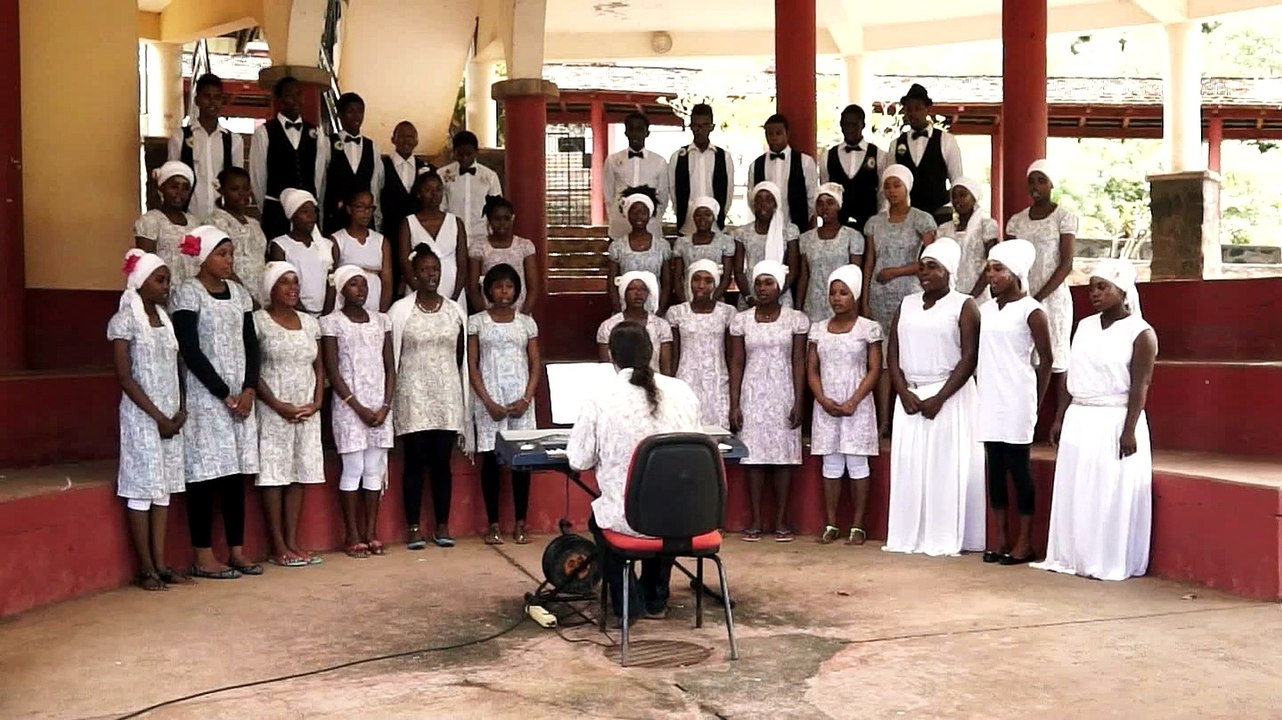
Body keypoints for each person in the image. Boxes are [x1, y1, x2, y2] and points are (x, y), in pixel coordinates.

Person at [568, 322, 703, 623]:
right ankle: (656, 598)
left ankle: (627, 603)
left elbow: (579, 460)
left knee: (602, 518)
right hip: (683, 518)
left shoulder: (599, 397)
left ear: (611, 356)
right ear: (652, 352)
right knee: (664, 502)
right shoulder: (682, 390)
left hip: (627, 520)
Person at [1035, 260, 1157, 581]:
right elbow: (1073, 375)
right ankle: (1075, 555)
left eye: (1103, 287)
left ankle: (1105, 558)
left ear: (1122, 290)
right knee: (1078, 489)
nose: (1095, 294)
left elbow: (1140, 385)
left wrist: (1129, 428)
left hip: (1114, 419)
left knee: (1107, 491)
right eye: (1092, 288)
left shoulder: (1141, 333)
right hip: (1080, 416)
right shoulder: (1085, 326)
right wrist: (1060, 417)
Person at [881, 238, 986, 557]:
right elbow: (893, 351)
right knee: (911, 465)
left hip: (949, 396)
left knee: (945, 467)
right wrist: (902, 390)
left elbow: (969, 357)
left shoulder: (964, 305)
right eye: (922, 266)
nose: (924, 272)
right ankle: (909, 535)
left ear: (949, 271)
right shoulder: (907, 304)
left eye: (933, 267)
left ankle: (943, 536)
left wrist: (940, 397)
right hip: (910, 395)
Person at [171, 225, 261, 579]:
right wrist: (224, 392)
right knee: (205, 478)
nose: (228, 261)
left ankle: (236, 550)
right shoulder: (187, 293)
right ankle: (203, 555)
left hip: (241, 399)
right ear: (203, 257)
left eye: (231, 254)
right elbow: (190, 350)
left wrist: (250, 388)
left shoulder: (239, 295)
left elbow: (251, 344)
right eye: (221, 254)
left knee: (233, 476)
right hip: (208, 399)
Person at [109, 249, 191, 590]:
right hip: (143, 418)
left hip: (169, 418)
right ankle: (145, 567)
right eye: (159, 280)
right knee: (143, 491)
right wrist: (157, 417)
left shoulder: (165, 318)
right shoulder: (124, 320)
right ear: (140, 282)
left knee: (163, 493)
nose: (166, 286)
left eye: (168, 279)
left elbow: (176, 366)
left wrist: (181, 408)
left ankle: (160, 561)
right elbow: (126, 378)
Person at [977, 239, 1053, 566]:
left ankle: (1025, 542)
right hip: (990, 396)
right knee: (994, 467)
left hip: (1018, 397)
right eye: (989, 269)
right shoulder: (985, 310)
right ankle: (1001, 537)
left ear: (1016, 273)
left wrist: (1036, 400)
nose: (991, 275)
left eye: (998, 270)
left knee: (1018, 469)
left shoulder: (1032, 310)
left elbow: (1047, 360)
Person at [389, 245, 469, 550]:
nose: (431, 275)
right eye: (424, 270)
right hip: (412, 394)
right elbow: (392, 355)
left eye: (435, 269)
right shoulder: (399, 311)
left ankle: (442, 525)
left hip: (446, 394)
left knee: (441, 462)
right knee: (414, 461)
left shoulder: (455, 310)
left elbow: (461, 355)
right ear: (413, 274)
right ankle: (412, 527)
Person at [729, 260, 810, 542]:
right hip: (752, 393)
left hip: (783, 391)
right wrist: (735, 402)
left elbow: (799, 360)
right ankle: (755, 519)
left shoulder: (795, 319)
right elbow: (737, 362)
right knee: (754, 459)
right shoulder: (741, 320)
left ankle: (781, 521)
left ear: (779, 286)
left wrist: (800, 401)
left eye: (769, 283)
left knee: (783, 459)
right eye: (759, 283)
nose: (762, 288)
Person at [253, 262, 325, 567]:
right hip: (274, 408)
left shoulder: (310, 324)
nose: (292, 288)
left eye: (295, 282)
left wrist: (317, 401)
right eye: (284, 282)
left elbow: (319, 368)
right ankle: (278, 545)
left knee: (298, 473)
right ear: (271, 288)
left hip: (306, 409)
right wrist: (277, 404)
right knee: (274, 474)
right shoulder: (259, 321)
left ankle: (293, 541)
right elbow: (251, 369)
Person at [322, 265, 396, 558]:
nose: (360, 290)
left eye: (363, 284)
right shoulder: (332, 323)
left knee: (373, 471)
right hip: (349, 407)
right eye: (353, 285)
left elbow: (390, 366)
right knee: (353, 469)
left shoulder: (382, 321)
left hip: (380, 407)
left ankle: (370, 532)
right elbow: (332, 370)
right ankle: (352, 535)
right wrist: (357, 406)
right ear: (341, 290)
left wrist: (385, 405)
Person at [467, 263, 542, 545]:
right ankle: (493, 524)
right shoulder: (477, 322)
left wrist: (526, 398)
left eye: (509, 286)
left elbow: (535, 363)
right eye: (498, 286)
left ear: (517, 291)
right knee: (491, 461)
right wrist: (487, 401)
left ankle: (521, 523)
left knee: (522, 462)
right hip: (489, 401)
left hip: (520, 399)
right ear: (488, 290)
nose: (503, 292)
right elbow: (472, 365)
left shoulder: (526, 322)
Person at [808, 265, 882, 545]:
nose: (837, 298)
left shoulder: (868, 328)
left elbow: (875, 368)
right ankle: (831, 523)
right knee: (831, 462)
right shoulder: (818, 329)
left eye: (844, 293)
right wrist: (822, 398)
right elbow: (812, 369)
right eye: (833, 293)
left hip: (858, 403)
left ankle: (858, 525)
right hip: (826, 403)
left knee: (857, 461)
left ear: (856, 295)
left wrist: (853, 400)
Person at [865, 164, 938, 435]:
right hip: (879, 295)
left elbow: (930, 260)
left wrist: (896, 271)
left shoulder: (921, 219)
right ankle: (885, 420)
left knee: (909, 355)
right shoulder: (874, 222)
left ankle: (912, 413)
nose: (892, 191)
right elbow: (870, 260)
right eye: (887, 185)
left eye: (897, 185)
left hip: (910, 293)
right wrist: (865, 298)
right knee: (884, 360)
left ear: (907, 187)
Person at [1005, 159, 1077, 407]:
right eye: (1031, 181)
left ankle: (1059, 418)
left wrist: (1039, 296)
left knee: (1056, 355)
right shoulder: (1016, 221)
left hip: (1053, 298)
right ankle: (1026, 412)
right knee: (1025, 354)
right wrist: (1020, 297)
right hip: (1021, 298)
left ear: (1052, 184)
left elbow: (1066, 263)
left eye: (1041, 180)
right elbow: (1010, 261)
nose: (1035, 186)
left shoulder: (1064, 217)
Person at [250, 76, 325, 239]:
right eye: (290, 95)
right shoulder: (264, 132)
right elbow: (258, 176)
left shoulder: (316, 133)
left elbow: (318, 175)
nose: (296, 99)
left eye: (299, 94)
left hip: (308, 213)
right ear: (279, 99)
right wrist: (270, 206)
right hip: (277, 210)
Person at [665, 259, 736, 428]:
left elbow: (731, 355)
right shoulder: (677, 312)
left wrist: (734, 393)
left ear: (715, 284)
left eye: (708, 280)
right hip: (686, 380)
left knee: (718, 436)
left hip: (718, 382)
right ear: (689, 282)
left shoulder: (727, 313)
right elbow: (674, 354)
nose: (701, 285)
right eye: (696, 279)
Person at [168, 73, 243, 220]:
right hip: (188, 216)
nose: (212, 102)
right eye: (207, 97)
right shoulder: (180, 137)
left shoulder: (234, 140)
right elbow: (172, 177)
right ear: (197, 100)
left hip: (223, 218)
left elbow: (237, 182)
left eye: (217, 97)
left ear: (222, 101)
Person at [797, 183, 866, 323]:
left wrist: (856, 310)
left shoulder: (853, 236)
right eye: (820, 204)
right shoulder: (805, 238)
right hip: (813, 304)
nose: (825, 208)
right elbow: (804, 276)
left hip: (843, 302)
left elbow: (856, 276)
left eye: (830, 203)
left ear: (838, 206)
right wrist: (798, 308)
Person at [892, 83, 962, 218]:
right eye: (909, 109)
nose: (913, 113)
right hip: (907, 215)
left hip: (939, 213)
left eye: (917, 108)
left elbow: (956, 179)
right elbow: (891, 183)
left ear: (927, 109)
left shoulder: (946, 140)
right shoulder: (896, 144)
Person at [399, 170, 468, 303]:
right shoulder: (408, 223)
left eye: (438, 189)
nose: (434, 194)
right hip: (419, 288)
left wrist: (455, 297)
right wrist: (419, 291)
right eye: (428, 190)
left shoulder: (456, 222)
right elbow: (405, 263)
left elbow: (462, 264)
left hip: (452, 287)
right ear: (419, 193)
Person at [380, 121, 433, 293]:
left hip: (418, 235)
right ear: (393, 139)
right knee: (392, 280)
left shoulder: (427, 168)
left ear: (416, 141)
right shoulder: (381, 166)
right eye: (401, 136)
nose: (406, 140)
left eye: (410, 137)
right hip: (390, 233)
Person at [267, 189, 338, 315]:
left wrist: (325, 316)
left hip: (325, 313)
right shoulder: (280, 245)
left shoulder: (327, 245)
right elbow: (282, 283)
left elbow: (332, 282)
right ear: (292, 216)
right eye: (304, 212)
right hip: (294, 313)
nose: (311, 216)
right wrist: (304, 316)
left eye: (313, 212)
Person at [321, 92, 383, 236]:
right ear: (340, 115)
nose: (356, 116)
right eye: (351, 111)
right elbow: (321, 183)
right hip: (336, 218)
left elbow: (374, 186)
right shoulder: (327, 143)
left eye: (360, 111)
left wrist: (376, 219)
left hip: (364, 221)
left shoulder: (372, 146)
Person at [820, 104, 888, 234]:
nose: (849, 129)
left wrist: (880, 221)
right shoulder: (827, 156)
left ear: (862, 125)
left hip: (869, 225)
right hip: (838, 226)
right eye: (845, 124)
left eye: (853, 124)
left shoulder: (879, 155)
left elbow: (882, 193)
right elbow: (826, 191)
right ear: (840, 125)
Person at [206, 166, 269, 307]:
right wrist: (246, 296)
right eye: (235, 189)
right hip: (233, 295)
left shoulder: (254, 223)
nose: (242, 194)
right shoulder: (215, 222)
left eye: (246, 189)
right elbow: (220, 264)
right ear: (221, 190)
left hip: (262, 296)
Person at [747, 114, 819, 234]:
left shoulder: (805, 162)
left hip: (797, 228)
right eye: (770, 134)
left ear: (787, 133)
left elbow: (812, 197)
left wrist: (801, 222)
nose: (774, 137)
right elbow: (752, 198)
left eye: (778, 133)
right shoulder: (756, 165)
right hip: (766, 230)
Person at [733, 181, 801, 309]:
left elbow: (793, 269)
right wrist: (748, 296)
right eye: (759, 200)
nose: (763, 204)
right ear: (753, 204)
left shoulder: (789, 230)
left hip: (780, 292)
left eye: (769, 200)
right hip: (750, 293)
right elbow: (738, 270)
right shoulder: (742, 232)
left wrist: (776, 293)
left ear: (776, 204)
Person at [669, 103, 734, 235]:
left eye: (704, 125)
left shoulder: (723, 156)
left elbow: (728, 192)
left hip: (715, 227)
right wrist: (683, 214)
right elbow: (673, 190)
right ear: (691, 127)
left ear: (712, 127)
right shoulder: (679, 156)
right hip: (687, 226)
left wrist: (719, 215)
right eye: (696, 125)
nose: (700, 129)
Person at [605, 187, 672, 314]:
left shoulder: (662, 246)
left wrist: (660, 310)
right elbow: (612, 283)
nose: (638, 216)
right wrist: (619, 312)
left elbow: (667, 283)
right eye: (634, 212)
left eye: (643, 212)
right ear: (627, 214)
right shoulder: (617, 246)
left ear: (650, 214)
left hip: (654, 308)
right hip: (626, 309)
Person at [467, 196, 538, 314]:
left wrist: (523, 316)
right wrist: (485, 317)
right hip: (489, 313)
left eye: (506, 218)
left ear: (512, 218)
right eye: (497, 219)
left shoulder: (525, 246)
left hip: (519, 313)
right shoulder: (478, 247)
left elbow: (533, 288)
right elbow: (473, 288)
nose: (502, 223)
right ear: (489, 220)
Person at [603, 112, 669, 239]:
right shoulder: (612, 160)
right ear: (626, 132)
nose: (635, 133)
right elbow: (608, 193)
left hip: (650, 225)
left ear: (647, 133)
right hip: (620, 225)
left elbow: (663, 195)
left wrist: (654, 217)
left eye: (640, 129)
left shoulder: (659, 161)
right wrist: (616, 215)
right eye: (631, 129)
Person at [597, 270, 673, 375]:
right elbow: (606, 368)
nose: (638, 293)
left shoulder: (661, 326)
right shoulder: (608, 326)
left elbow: (666, 368)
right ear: (623, 292)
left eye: (643, 289)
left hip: (654, 384)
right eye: (632, 289)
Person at [936, 177, 999, 300]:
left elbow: (992, 263)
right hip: (949, 294)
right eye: (954, 196)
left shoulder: (986, 225)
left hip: (978, 294)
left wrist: (972, 296)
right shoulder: (944, 229)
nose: (958, 200)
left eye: (963, 195)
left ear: (974, 197)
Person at [135, 161, 199, 280]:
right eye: (174, 187)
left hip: (191, 290)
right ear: (162, 187)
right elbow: (145, 264)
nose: (179, 193)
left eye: (185, 189)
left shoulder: (194, 222)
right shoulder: (150, 220)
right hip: (163, 288)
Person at [333, 189, 393, 312]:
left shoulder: (381, 241)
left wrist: (382, 311)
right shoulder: (337, 240)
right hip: (345, 305)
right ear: (349, 209)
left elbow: (387, 281)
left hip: (374, 301)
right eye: (360, 207)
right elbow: (332, 279)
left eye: (370, 207)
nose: (366, 212)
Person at [441, 130, 502, 247]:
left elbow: (496, 208)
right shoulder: (443, 175)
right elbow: (441, 207)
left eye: (468, 154)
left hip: (482, 237)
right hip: (452, 236)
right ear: (454, 152)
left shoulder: (490, 176)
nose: (464, 158)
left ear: (476, 152)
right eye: (460, 154)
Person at [671, 197, 735, 303]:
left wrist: (712, 300)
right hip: (688, 298)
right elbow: (677, 278)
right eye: (698, 215)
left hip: (716, 299)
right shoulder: (682, 243)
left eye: (707, 215)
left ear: (714, 217)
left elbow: (727, 277)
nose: (702, 219)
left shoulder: (725, 241)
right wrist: (685, 303)